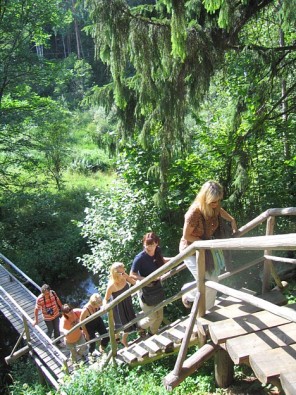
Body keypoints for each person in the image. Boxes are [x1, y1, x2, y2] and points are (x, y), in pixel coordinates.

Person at [179, 180, 237, 310]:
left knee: (213, 280)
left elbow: (220, 211)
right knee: (206, 280)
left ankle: (209, 310)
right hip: (190, 250)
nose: (216, 204)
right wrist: (205, 243)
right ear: (205, 198)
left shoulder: (214, 207)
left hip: (205, 247)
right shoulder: (194, 212)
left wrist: (232, 220)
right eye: (213, 201)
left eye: (218, 201)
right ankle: (188, 293)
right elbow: (186, 236)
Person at [130, 232, 169, 336]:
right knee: (152, 317)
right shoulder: (140, 257)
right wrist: (148, 279)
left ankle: (152, 334)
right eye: (146, 244)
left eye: (151, 244)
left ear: (156, 244)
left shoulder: (157, 252)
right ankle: (139, 327)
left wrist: (179, 258)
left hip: (156, 288)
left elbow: (162, 260)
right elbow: (132, 275)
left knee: (159, 316)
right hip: (145, 289)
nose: (149, 247)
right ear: (144, 244)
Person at [104, 262, 136, 347]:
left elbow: (134, 283)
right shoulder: (111, 285)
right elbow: (106, 299)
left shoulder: (124, 276)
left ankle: (122, 339)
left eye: (124, 270)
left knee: (131, 320)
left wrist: (127, 277)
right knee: (123, 324)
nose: (124, 273)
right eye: (121, 273)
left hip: (127, 302)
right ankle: (121, 339)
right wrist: (105, 307)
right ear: (116, 274)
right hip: (118, 307)